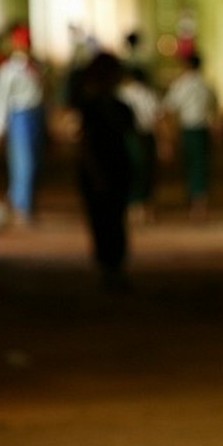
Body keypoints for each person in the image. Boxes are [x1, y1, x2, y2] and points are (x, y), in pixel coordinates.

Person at [71, 53, 136, 291]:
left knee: (114, 220)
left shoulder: (118, 106)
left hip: (116, 169)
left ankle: (114, 267)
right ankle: (109, 268)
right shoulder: (91, 107)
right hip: (99, 170)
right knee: (103, 221)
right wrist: (95, 173)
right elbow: (85, 143)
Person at [0, 24, 45, 226]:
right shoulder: (8, 71)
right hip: (19, 117)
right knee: (23, 162)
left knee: (34, 161)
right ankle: (22, 206)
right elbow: (0, 100)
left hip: (36, 115)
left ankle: (22, 200)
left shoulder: (36, 68)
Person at [163, 52, 217, 220]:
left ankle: (195, 202)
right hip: (202, 129)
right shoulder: (206, 85)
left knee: (191, 164)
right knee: (201, 165)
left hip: (188, 129)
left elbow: (169, 107)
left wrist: (168, 134)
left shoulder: (181, 85)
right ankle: (200, 203)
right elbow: (214, 108)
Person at [117, 32, 161, 224]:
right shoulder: (148, 91)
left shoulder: (123, 93)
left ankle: (133, 207)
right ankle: (146, 207)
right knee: (147, 171)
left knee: (130, 170)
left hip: (129, 134)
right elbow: (157, 114)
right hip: (146, 134)